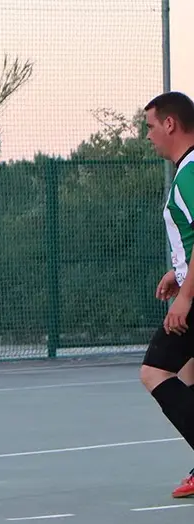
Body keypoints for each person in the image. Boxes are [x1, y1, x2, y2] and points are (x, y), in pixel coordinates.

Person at [138, 90, 194, 498]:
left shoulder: (190, 172)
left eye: (151, 127)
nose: (149, 135)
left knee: (156, 372)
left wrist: (186, 296)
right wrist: (177, 272)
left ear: (170, 124)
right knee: (190, 372)